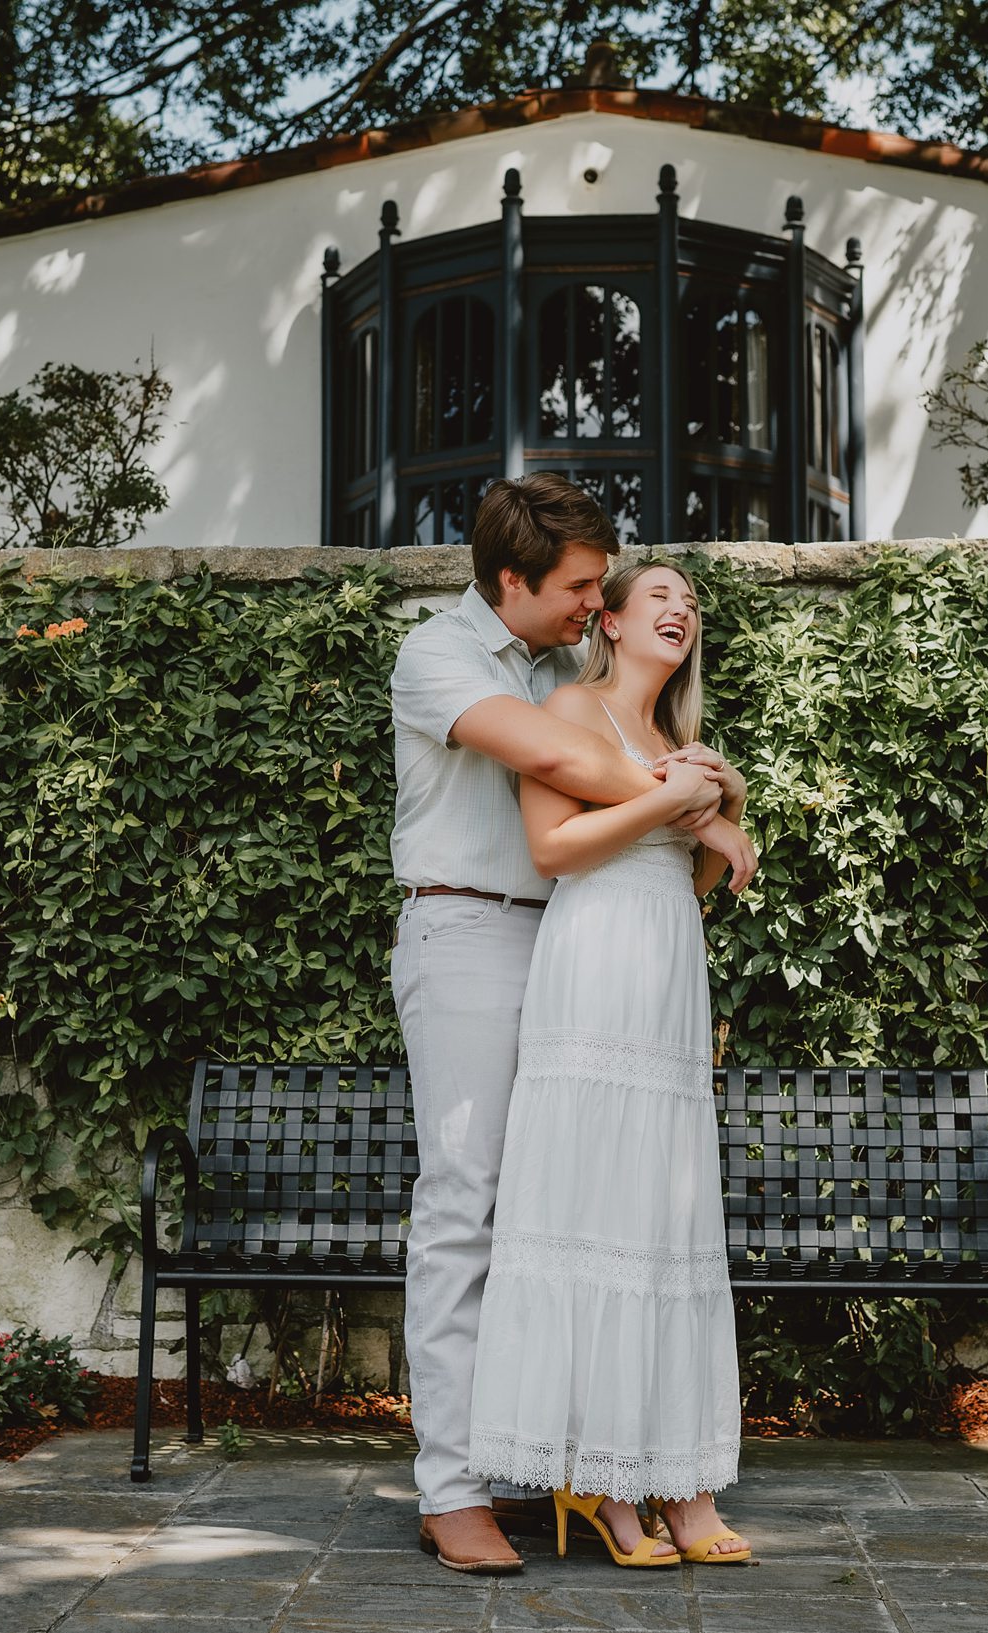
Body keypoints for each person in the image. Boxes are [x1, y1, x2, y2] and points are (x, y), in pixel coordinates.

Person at [389, 476, 756, 1575]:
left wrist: (699, 790)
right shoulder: (440, 656)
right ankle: (453, 1490)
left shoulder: (567, 670)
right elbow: (560, 765)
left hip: (570, 944)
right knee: (466, 1205)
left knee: (563, 1201)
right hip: (465, 930)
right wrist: (698, 793)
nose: (597, 604)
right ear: (513, 579)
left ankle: (553, 1455)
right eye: (582, 586)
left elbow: (612, 765)